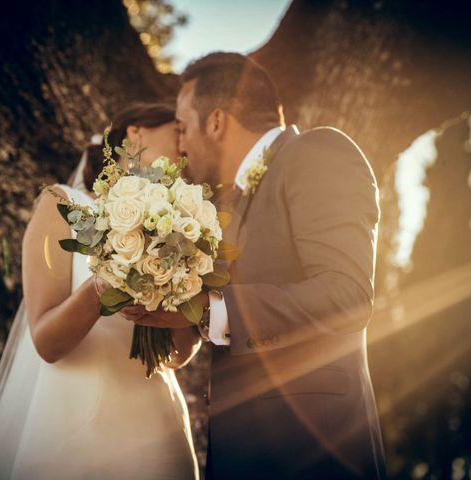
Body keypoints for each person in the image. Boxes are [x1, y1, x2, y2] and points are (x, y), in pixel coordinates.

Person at [124, 53, 388, 479]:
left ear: (216, 122)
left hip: (316, 452)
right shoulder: (223, 207)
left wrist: (209, 307)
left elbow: (348, 295)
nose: (181, 144)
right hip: (239, 455)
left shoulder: (318, 152)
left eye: (183, 127)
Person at [0, 103, 200, 480]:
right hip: (74, 423)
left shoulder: (180, 224)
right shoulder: (63, 205)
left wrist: (169, 307)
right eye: (178, 132)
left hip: (156, 426)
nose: (187, 145)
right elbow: (46, 343)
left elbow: (179, 354)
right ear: (135, 133)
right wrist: (101, 286)